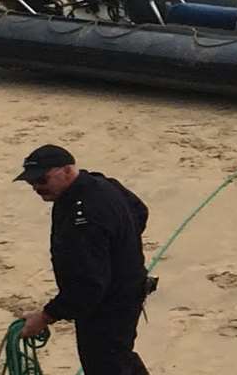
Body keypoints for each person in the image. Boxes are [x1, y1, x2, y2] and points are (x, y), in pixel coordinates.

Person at [13, 145, 154, 375]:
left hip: (107, 306)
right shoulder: (100, 183)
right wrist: (119, 247)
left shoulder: (84, 218)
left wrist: (45, 316)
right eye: (31, 182)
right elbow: (139, 211)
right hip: (128, 291)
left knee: (106, 364)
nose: (37, 187)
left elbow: (87, 285)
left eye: (42, 179)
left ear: (67, 170)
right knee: (119, 357)